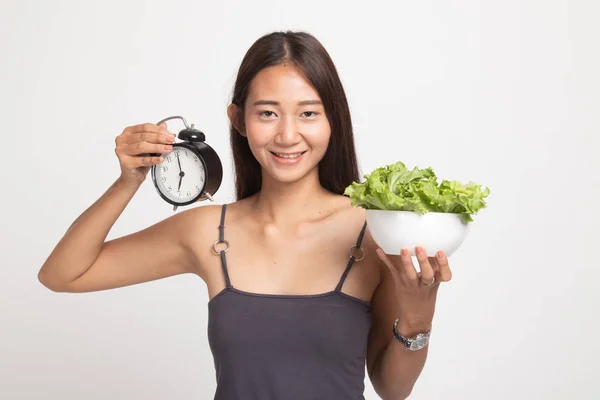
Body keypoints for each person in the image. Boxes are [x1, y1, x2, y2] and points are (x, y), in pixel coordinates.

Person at [38, 31, 453, 400]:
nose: (287, 135)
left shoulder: (373, 229)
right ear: (238, 120)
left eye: (308, 113)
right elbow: (62, 274)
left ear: (333, 120)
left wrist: (418, 316)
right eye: (267, 113)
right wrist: (129, 180)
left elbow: (392, 389)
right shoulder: (206, 230)